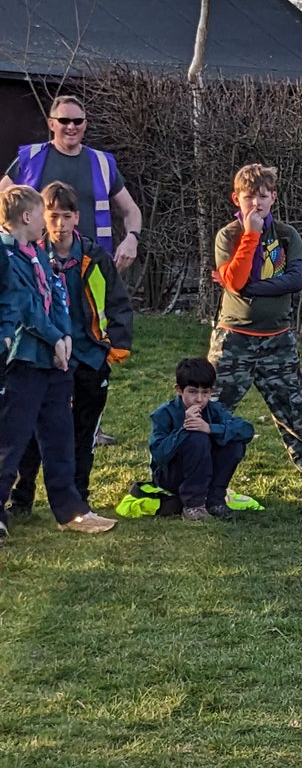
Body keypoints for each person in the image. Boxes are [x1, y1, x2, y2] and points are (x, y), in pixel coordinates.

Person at [209, 163, 302, 504]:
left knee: (294, 411)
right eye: (248, 196)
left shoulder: (287, 235)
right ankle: (201, 481)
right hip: (234, 338)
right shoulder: (228, 236)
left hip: (278, 340)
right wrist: (250, 236)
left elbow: (295, 281)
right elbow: (236, 282)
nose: (256, 203)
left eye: (262, 196)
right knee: (212, 410)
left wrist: (253, 287)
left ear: (274, 198)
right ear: (236, 199)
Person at [6, 181, 133, 520]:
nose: (59, 224)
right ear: (39, 217)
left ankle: (77, 500)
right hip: (41, 355)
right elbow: (26, 306)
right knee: (29, 433)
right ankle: (21, 499)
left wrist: (113, 348)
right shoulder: (28, 254)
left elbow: (117, 303)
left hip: (88, 354)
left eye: (66, 216)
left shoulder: (94, 255)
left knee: (77, 432)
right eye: (52, 216)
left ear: (77, 217)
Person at [1, 95, 143, 271]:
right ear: (51, 124)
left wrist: (132, 238)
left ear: (85, 124)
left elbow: (131, 210)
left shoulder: (102, 163)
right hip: (38, 269)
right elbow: (2, 201)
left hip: (91, 268)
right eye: (64, 120)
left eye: (77, 121)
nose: (71, 127)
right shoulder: (31, 158)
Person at [149, 357, 254, 521]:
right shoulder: (164, 413)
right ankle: (193, 505)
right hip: (171, 475)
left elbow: (247, 429)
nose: (199, 399)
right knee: (196, 437)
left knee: (234, 442)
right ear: (179, 390)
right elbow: (159, 455)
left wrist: (211, 428)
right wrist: (185, 429)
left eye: (205, 393)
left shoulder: (214, 409)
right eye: (192, 392)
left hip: (206, 472)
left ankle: (215, 501)